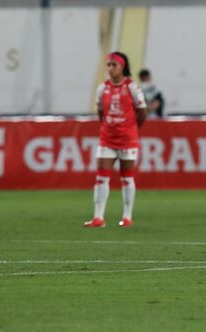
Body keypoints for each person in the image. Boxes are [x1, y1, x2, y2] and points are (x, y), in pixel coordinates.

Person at [84, 52, 147, 228]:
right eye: (108, 65)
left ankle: (127, 216)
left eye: (114, 65)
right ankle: (98, 218)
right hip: (108, 138)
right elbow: (101, 113)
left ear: (122, 67)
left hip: (127, 139)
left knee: (127, 177)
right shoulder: (102, 88)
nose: (110, 68)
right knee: (101, 176)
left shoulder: (132, 87)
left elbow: (142, 112)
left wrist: (132, 129)